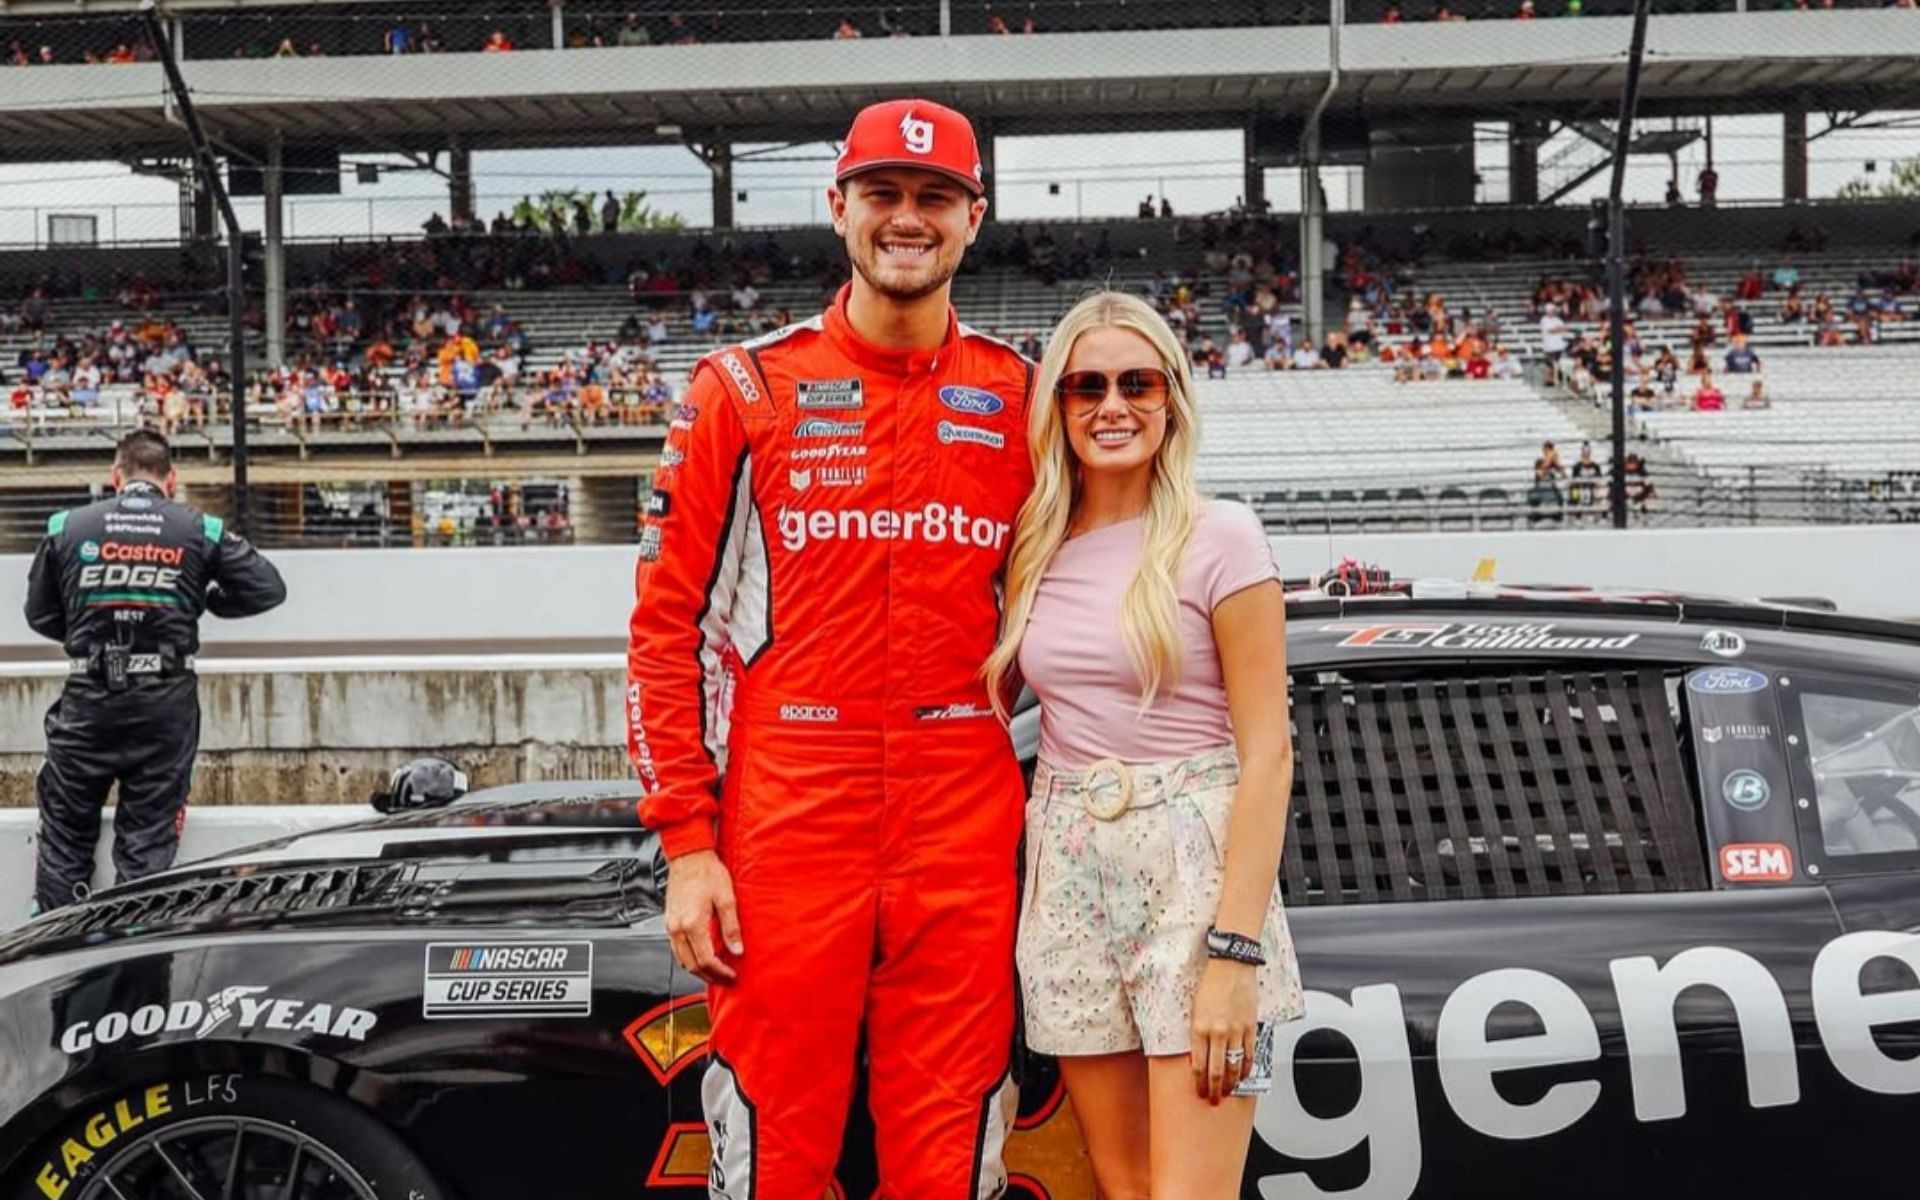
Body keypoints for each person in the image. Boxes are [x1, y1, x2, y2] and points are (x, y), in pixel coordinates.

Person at [626, 98, 1034, 1197]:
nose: (909, 219)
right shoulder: (744, 389)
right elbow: (666, 630)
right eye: (885, 195)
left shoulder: (1020, 398)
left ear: (974, 219)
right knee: (774, 1144)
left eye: (935, 198)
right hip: (789, 810)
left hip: (963, 806)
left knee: (952, 1149)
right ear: (839, 206)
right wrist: (687, 843)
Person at [982, 291, 1301, 1197]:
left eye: (1136, 382)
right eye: (1085, 385)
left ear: (1172, 399)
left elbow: (1268, 755)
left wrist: (1234, 959)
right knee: (1121, 1192)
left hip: (1194, 874)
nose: (1110, 405)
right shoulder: (1032, 545)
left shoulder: (1223, 535)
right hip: (1068, 866)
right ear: (1058, 404)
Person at [23, 431, 286, 914]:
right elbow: (267, 588)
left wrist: (88, 630)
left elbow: (38, 615)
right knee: (146, 852)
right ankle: (140, 964)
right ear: (171, 479)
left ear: (115, 477)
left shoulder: (68, 526)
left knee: (63, 844)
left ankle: (57, 967)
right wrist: (204, 602)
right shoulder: (198, 527)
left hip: (89, 700)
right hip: (165, 705)